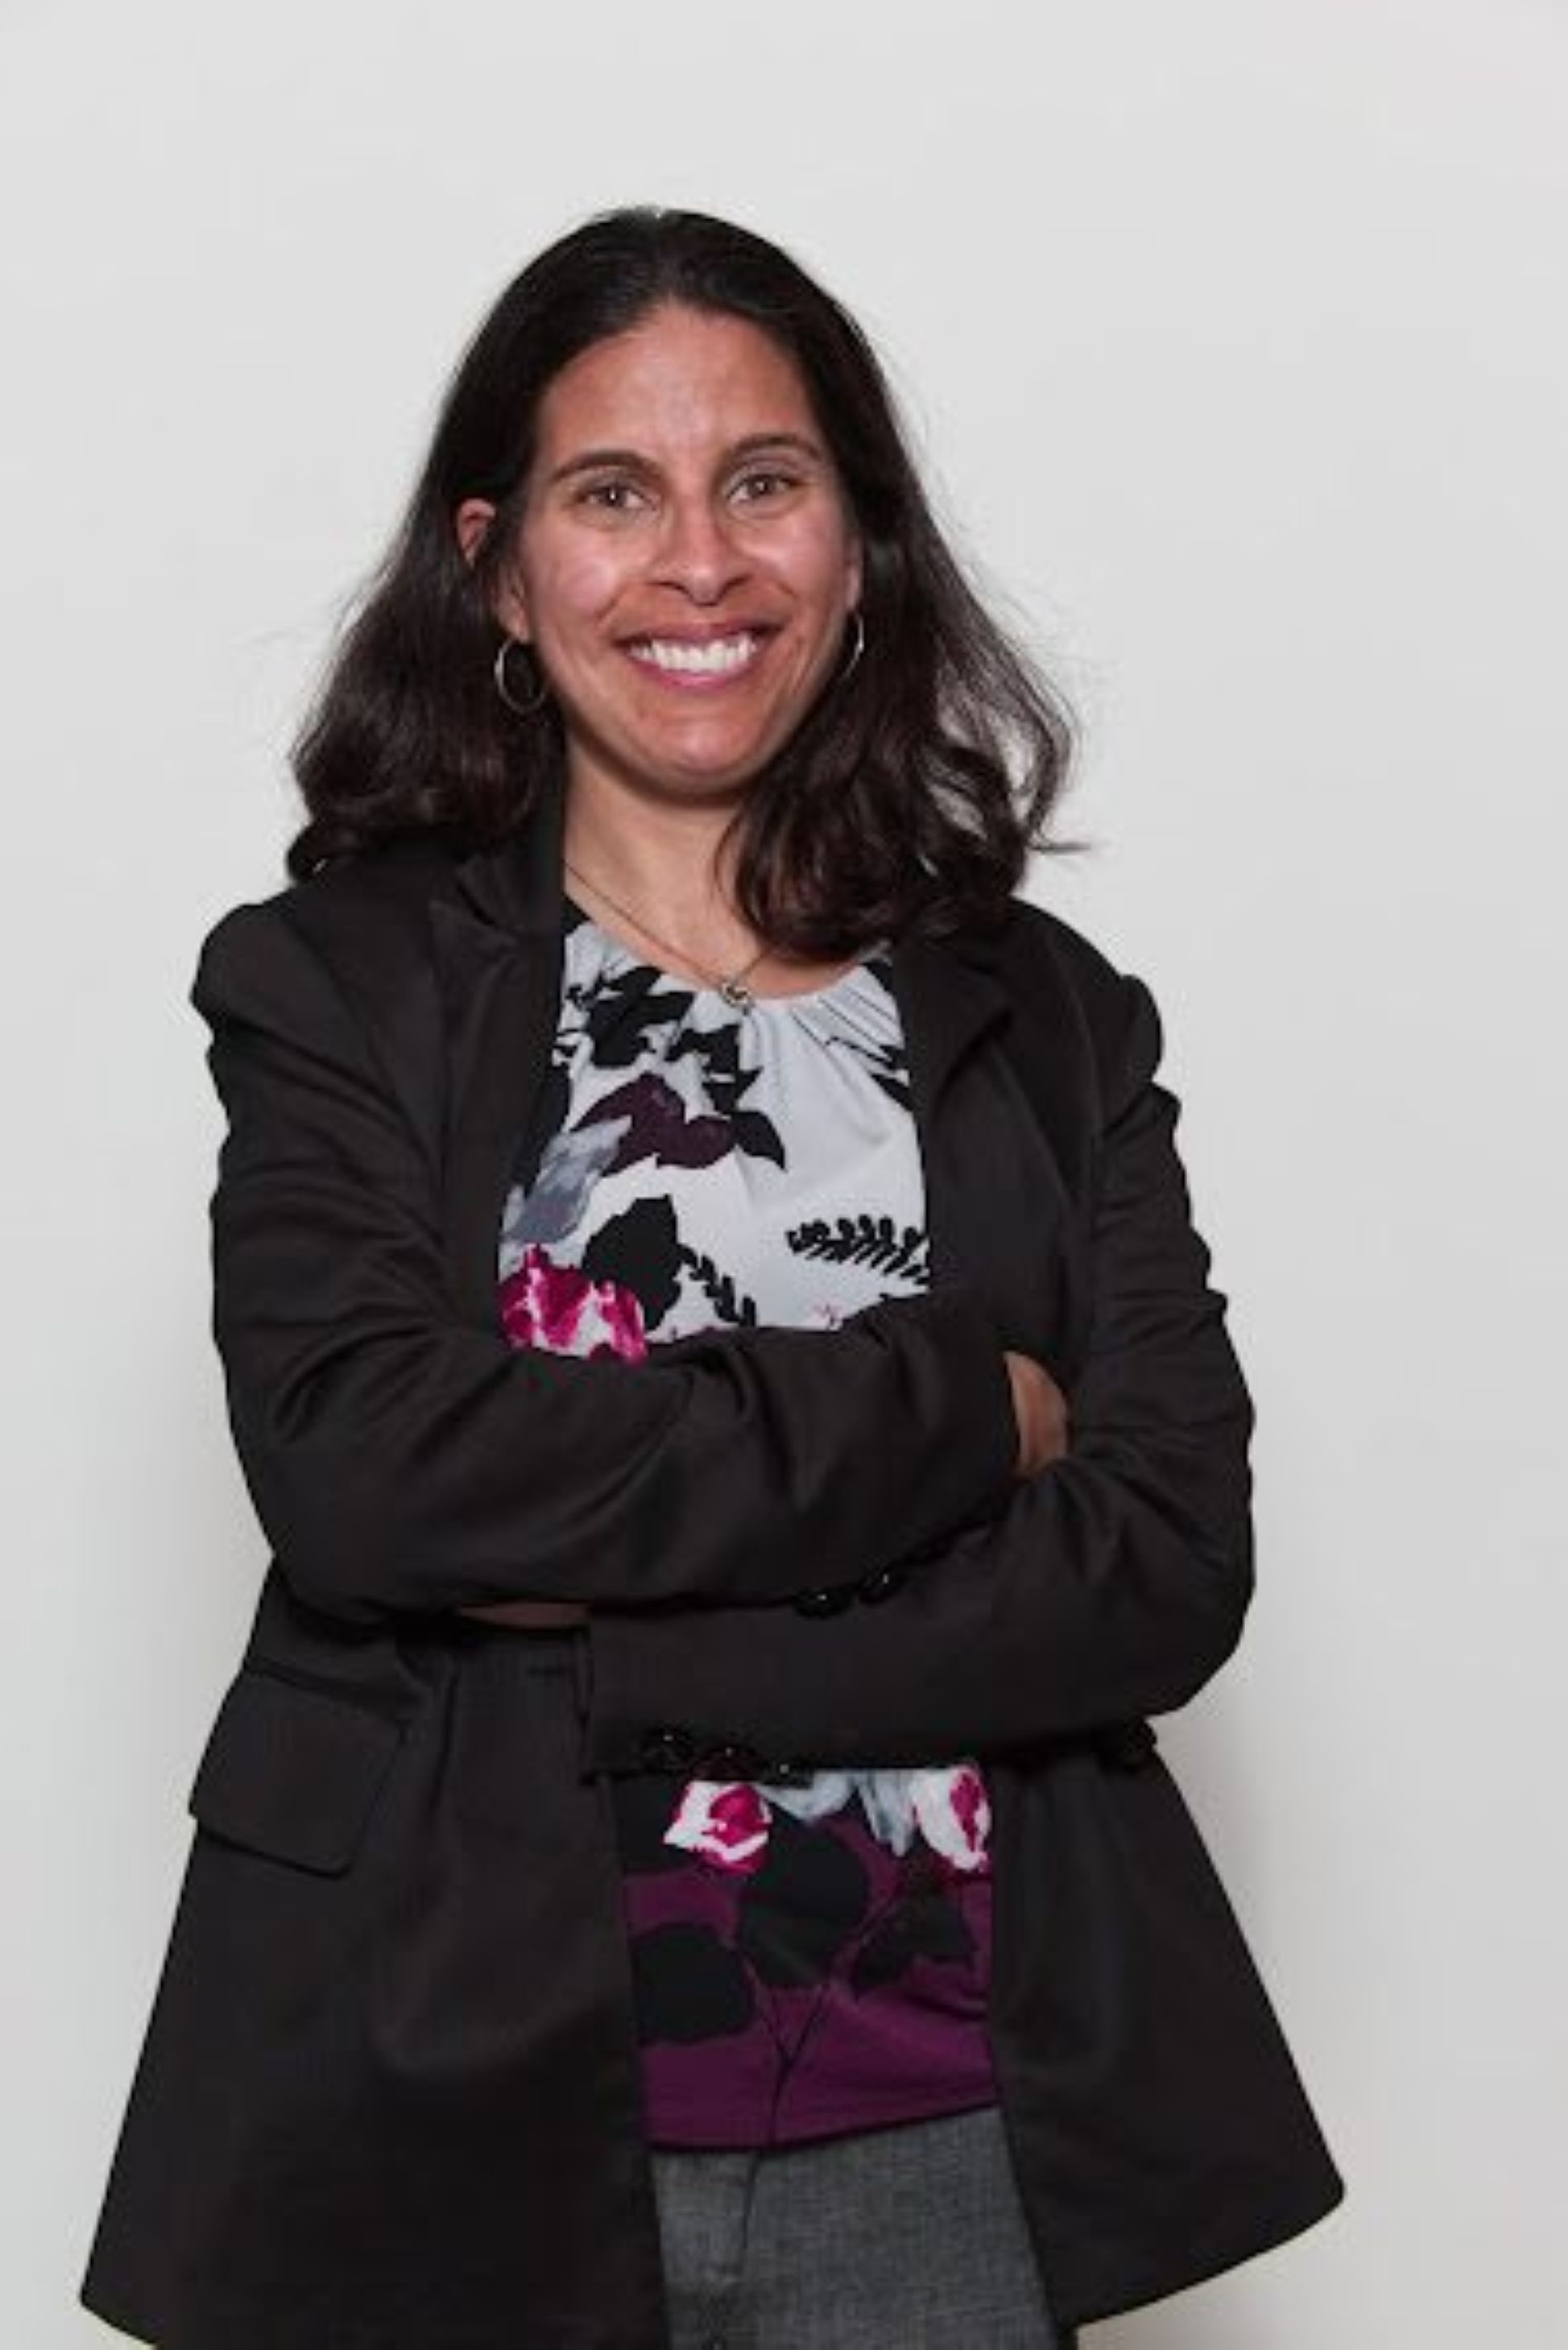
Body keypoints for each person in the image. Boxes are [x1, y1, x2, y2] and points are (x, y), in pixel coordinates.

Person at [79, 207, 1343, 2348]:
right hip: (441, 2102)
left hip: (944, 2110)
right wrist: (951, 1408)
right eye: (612, 493)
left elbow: (1158, 1563)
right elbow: (374, 1480)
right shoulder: (338, 987)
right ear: (495, 562)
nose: (698, 562)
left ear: (858, 545)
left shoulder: (1040, 1020)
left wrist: (623, 1658)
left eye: (764, 482)